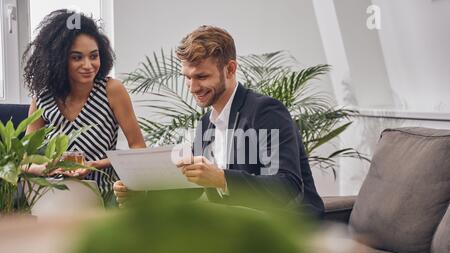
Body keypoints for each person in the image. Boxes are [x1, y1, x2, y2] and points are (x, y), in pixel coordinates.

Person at [114, 25, 324, 218]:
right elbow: (193, 190)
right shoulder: (206, 123)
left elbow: (286, 187)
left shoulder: (266, 111)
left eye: (202, 77)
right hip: (238, 225)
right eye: (187, 77)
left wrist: (221, 179)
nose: (193, 87)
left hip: (285, 226)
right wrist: (143, 195)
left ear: (230, 69)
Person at [23, 9, 146, 200]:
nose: (88, 65)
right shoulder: (43, 97)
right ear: (59, 60)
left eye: (94, 56)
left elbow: (138, 148)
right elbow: (24, 160)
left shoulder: (111, 90)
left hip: (102, 196)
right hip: (53, 195)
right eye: (77, 57)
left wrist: (95, 165)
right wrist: (45, 168)